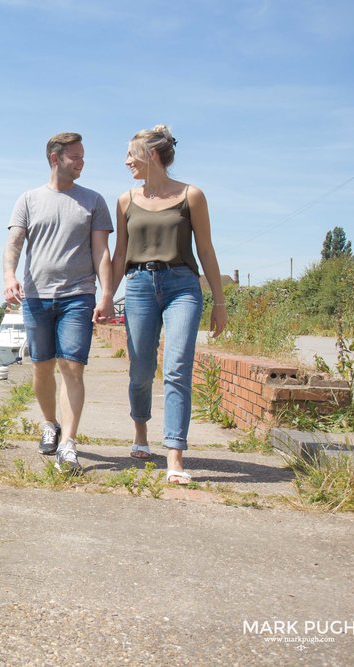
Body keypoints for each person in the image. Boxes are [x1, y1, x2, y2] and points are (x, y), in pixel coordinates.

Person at [109, 124, 227, 485]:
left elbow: (205, 249)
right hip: (139, 285)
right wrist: (104, 297)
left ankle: (174, 456)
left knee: (177, 368)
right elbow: (119, 255)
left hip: (182, 287)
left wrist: (219, 302)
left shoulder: (192, 195)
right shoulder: (126, 200)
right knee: (141, 369)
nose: (127, 160)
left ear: (152, 155)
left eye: (132, 154)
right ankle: (141, 435)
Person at [3, 132, 114, 472]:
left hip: (78, 295)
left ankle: (69, 442)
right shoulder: (28, 199)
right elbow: (14, 243)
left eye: (82, 157)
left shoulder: (93, 201)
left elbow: (101, 251)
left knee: (72, 367)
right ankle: (50, 423)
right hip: (37, 296)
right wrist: (9, 277)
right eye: (75, 157)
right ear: (55, 159)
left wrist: (106, 293)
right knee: (42, 367)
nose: (82, 162)